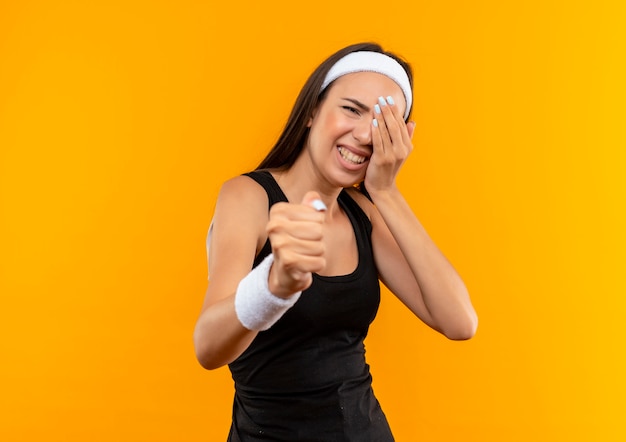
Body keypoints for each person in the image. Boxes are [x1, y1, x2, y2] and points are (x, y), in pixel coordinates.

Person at [193, 42, 478, 441]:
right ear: (312, 110)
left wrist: (386, 192)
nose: (364, 134)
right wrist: (274, 285)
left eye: (384, 121)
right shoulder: (248, 197)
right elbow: (208, 347)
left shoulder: (365, 212)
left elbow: (460, 321)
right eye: (351, 109)